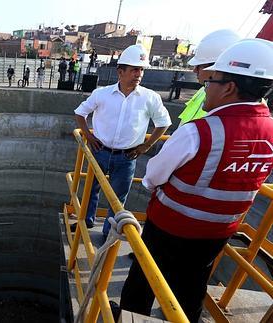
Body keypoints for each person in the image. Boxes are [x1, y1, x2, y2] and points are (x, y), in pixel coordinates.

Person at [119, 38, 273, 323]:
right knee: (190, 289)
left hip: (169, 228)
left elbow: (153, 176)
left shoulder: (200, 131)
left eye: (209, 81)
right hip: (217, 234)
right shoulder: (270, 131)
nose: (205, 88)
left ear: (229, 87)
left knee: (142, 283)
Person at [73, 44, 171, 236]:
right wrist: (89, 135)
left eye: (141, 69)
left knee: (117, 199)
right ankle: (86, 222)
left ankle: (109, 234)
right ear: (120, 72)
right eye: (134, 69)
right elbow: (80, 113)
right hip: (99, 151)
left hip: (127, 156)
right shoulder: (102, 94)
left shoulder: (149, 98)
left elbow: (163, 123)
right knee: (91, 190)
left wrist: (146, 145)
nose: (139, 74)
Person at [178, 29, 241, 126]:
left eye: (199, 65)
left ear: (216, 68)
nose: (195, 70)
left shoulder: (240, 106)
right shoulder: (203, 91)